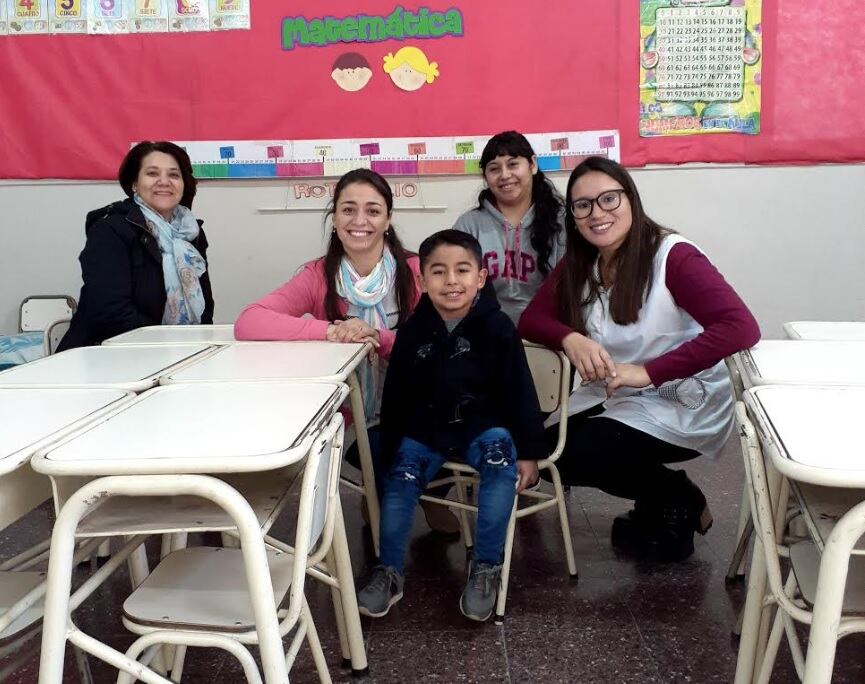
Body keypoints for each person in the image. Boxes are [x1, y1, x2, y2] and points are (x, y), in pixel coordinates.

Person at [518, 156, 761, 561]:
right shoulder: (583, 260)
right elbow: (532, 319)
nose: (597, 214)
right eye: (583, 205)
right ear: (573, 215)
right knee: (546, 452)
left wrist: (649, 372)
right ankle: (661, 496)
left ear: (631, 198)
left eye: (608, 199)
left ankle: (676, 498)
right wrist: (570, 337)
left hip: (681, 395)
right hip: (617, 392)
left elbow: (740, 327)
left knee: (593, 451)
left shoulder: (673, 256)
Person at [234, 169, 458, 534]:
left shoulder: (417, 270)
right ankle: (383, 494)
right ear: (334, 219)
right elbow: (250, 322)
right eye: (348, 209)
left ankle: (428, 496)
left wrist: (379, 337)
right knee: (374, 454)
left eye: (372, 210)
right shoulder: (319, 275)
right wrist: (330, 330)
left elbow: (445, 345)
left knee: (433, 433)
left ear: (388, 219)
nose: (360, 221)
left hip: (422, 404)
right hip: (354, 414)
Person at [356, 230, 546, 622]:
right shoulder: (411, 331)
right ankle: (389, 570)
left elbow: (520, 391)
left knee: (499, 466)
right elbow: (397, 396)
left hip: (484, 428)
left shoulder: (498, 328)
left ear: (480, 277)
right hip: (426, 429)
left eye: (462, 270)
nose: (452, 281)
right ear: (423, 281)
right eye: (439, 272)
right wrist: (393, 450)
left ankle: (487, 567)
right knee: (400, 480)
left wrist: (529, 452)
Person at [58, 141, 214, 351]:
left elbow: (205, 305)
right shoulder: (110, 229)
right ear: (134, 184)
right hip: (107, 354)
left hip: (177, 352)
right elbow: (110, 311)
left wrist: (199, 348)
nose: (164, 182)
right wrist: (167, 346)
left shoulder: (191, 232)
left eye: (174, 175)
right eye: (152, 173)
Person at [453, 130, 566, 324]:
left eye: (513, 164)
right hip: (487, 332)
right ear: (486, 176)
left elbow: (568, 290)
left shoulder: (561, 221)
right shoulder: (468, 225)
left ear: (532, 165)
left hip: (547, 332)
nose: (505, 175)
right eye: (494, 169)